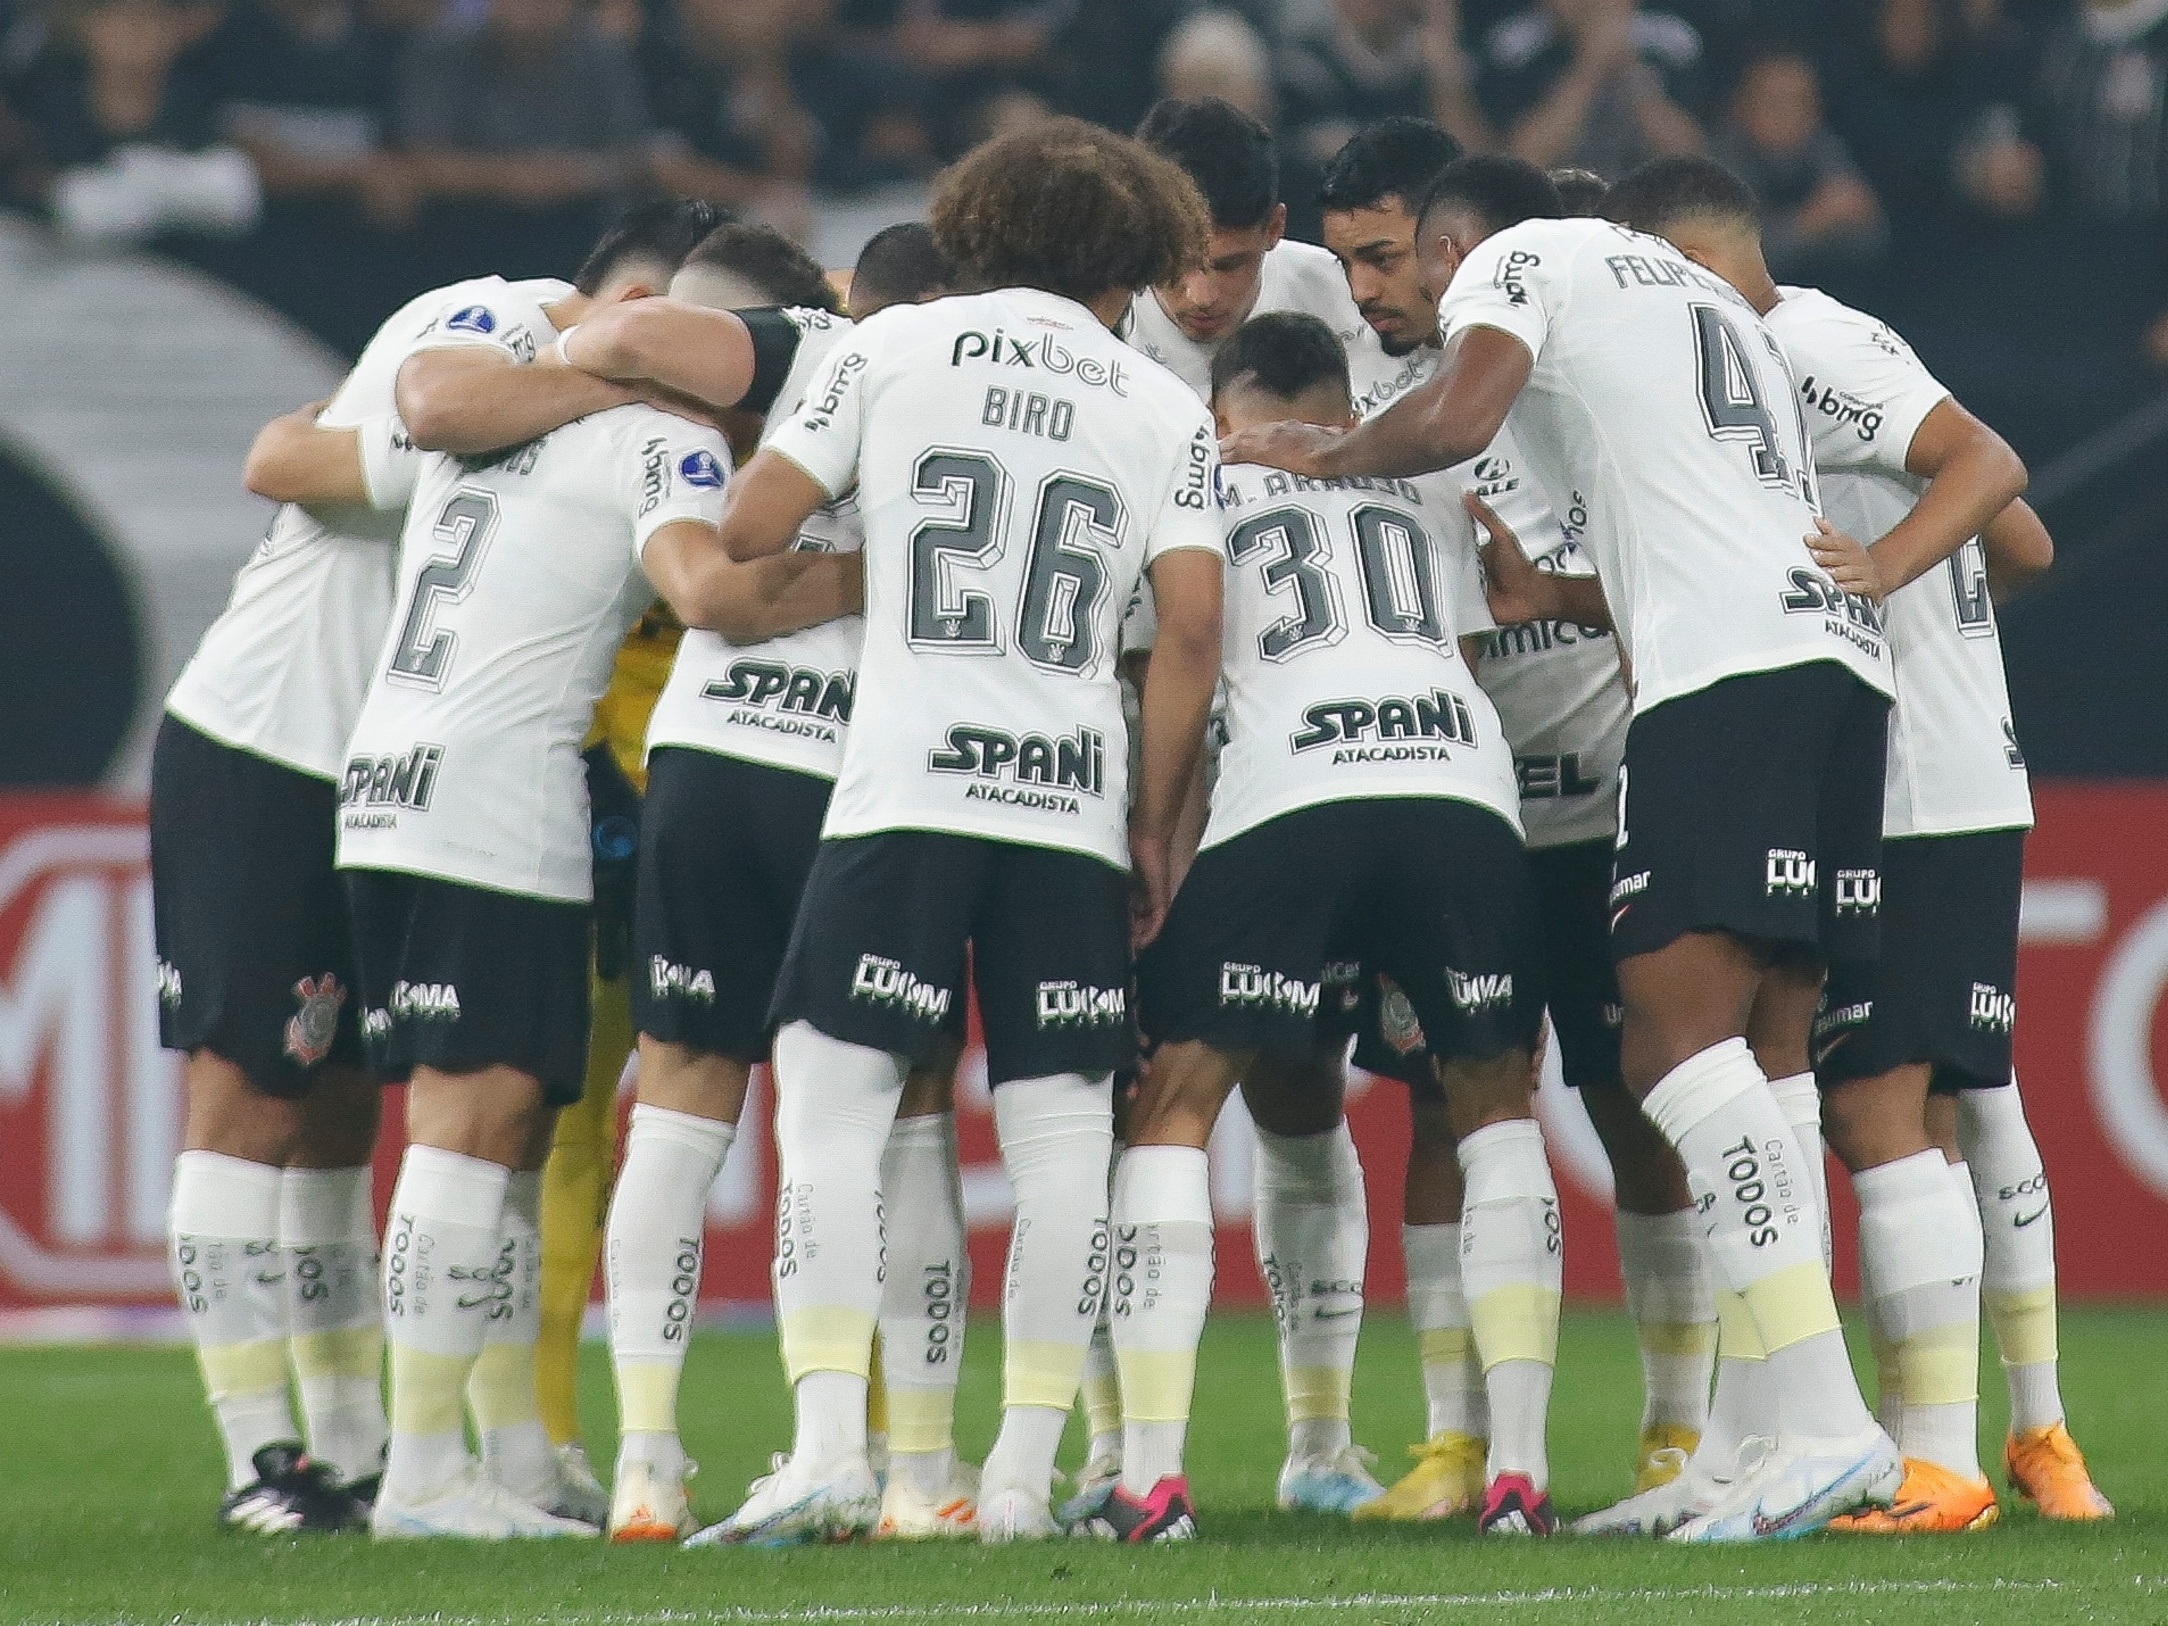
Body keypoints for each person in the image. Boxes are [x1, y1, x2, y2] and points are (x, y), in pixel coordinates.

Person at [1220, 153, 1905, 1541]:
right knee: (1768, 1047)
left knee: (1668, 1031)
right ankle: (1747, 1439)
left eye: (1408, 260)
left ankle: (1828, 1420)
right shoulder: (1699, 294)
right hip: (1829, 658)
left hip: (1730, 670)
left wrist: (1321, 451)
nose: (1401, 291)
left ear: (1462, 238)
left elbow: (1458, 416)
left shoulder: (1523, 259)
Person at [672, 118, 1222, 1547]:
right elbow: (1192, 638)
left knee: (833, 1106)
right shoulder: (1163, 403)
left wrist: (875, 538)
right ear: (1131, 255)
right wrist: (1154, 829)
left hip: (910, 784)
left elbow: (744, 525)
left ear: (980, 224)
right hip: (1068, 802)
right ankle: (1027, 1482)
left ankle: (826, 1452)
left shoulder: (888, 350)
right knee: (1058, 1142)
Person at [152, 201, 715, 1538]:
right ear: (635, 295)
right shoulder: (495, 315)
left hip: (388, 764)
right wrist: (613, 377)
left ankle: (363, 1451)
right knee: (251, 1091)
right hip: (268, 731)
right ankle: (261, 1455)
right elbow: (319, 445)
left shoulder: (598, 422)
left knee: (355, 1111)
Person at [1610, 154, 2111, 1530]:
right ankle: (2011, 1434)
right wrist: (1933, 613)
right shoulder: (1828, 349)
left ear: (1685, 264)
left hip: (1908, 783)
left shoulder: (1795, 344)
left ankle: (1945, 1454)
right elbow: (2019, 541)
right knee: (1945, 1103)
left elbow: (2001, 484)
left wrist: (1883, 584)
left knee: (1880, 1103)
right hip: (1939, 768)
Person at [541, 222, 963, 1545]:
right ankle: (912, 1465)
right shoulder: (905, 367)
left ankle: (647, 1469)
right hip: (862, 772)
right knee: (894, 1105)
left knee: (674, 1094)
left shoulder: (669, 433)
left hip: (711, 760)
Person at [1110, 312, 1559, 1541]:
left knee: (1176, 1106)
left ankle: (1150, 1477)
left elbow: (1184, 661)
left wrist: (1156, 834)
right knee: (1493, 1109)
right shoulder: (1412, 472)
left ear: (1219, 412)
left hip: (1292, 793)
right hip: (1458, 790)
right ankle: (1514, 1473)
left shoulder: (1189, 477)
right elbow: (1466, 656)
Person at [1322, 127, 1713, 1513]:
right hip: (1460, 798)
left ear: (1448, 241)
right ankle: (1453, 1436)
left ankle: (1679, 1427)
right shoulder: (1362, 366)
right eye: (1351, 259)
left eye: (1387, 253)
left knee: (1636, 1101)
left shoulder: (1569, 359)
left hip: (1605, 792)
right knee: (1444, 1103)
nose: (1366, 286)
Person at [1475, 0, 1705, 177]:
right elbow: (1522, 164)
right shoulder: (1515, 50)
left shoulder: (1672, 43)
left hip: (1649, 210)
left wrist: (1628, 67)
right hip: (1551, 213)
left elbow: (1690, 162)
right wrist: (1590, 65)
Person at [1712, 51, 1884, 280]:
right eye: (1772, 101)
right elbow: (1733, 255)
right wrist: (1809, 223)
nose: (1784, 113)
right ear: (1742, 106)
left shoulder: (1825, 148)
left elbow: (1871, 236)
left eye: (1797, 101)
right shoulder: (1718, 163)